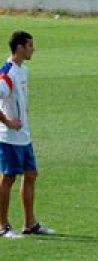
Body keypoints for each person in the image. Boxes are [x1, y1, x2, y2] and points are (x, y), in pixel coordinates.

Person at [0, 31, 54, 239]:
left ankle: (30, 223)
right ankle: (3, 225)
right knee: (8, 178)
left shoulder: (23, 71)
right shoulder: (7, 73)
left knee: (31, 174)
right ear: (20, 48)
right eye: (30, 45)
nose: (33, 49)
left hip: (24, 136)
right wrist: (7, 121)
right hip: (9, 137)